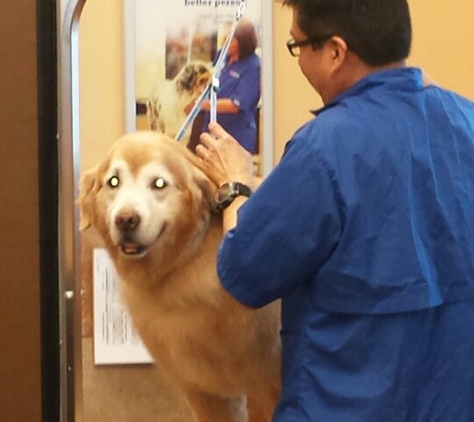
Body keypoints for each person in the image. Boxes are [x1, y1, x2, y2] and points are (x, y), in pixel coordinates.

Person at [195, 0, 474, 421]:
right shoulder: (466, 121)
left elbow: (243, 272)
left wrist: (235, 185)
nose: (300, 60)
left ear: (335, 51)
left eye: (297, 46)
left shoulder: (324, 148)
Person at [200, 19, 261, 153]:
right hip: (212, 128)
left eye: (230, 38)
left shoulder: (254, 66)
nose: (225, 42)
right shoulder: (222, 56)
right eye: (225, 37)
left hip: (236, 134)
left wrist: (201, 104)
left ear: (243, 42)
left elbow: (236, 105)